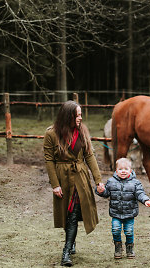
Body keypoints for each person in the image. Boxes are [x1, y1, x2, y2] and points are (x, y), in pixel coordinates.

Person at [43, 100, 103, 267]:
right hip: (62, 177)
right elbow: (49, 160)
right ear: (68, 116)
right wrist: (55, 185)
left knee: (73, 213)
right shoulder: (51, 134)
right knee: (67, 213)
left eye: (80, 115)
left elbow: (89, 156)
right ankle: (72, 241)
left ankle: (66, 251)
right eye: (77, 115)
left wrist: (98, 180)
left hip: (80, 177)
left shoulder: (82, 131)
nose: (80, 118)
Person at [95, 158, 150, 259]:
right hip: (116, 213)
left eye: (126, 169)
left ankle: (129, 249)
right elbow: (106, 193)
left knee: (129, 231)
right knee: (115, 230)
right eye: (120, 169)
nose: (123, 171)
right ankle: (118, 247)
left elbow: (140, 193)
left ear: (130, 170)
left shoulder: (135, 183)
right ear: (116, 171)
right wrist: (100, 191)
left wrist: (145, 200)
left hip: (129, 213)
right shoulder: (111, 181)